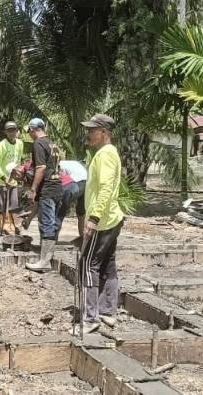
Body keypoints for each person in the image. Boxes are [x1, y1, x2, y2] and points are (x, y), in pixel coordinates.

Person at [75, 114, 124, 335]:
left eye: (92, 130)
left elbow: (105, 188)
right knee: (108, 264)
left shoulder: (105, 155)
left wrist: (93, 218)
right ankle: (108, 311)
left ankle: (90, 317)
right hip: (111, 218)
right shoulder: (107, 153)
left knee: (88, 265)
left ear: (104, 132)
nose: (88, 134)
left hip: (102, 221)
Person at [24, 118, 64, 273]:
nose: (29, 135)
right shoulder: (52, 143)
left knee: (46, 223)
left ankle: (45, 261)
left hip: (47, 188)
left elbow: (40, 168)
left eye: (29, 132)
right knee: (52, 223)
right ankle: (47, 257)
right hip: (57, 187)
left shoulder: (38, 144)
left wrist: (33, 189)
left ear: (33, 130)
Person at [0, 121, 24, 235]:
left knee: (14, 204)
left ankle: (15, 226)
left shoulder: (20, 144)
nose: (12, 133)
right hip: (1, 180)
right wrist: (4, 178)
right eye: (9, 131)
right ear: (5, 132)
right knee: (1, 205)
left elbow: (18, 160)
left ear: (17, 131)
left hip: (13, 179)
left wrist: (18, 174)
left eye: (13, 130)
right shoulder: (2, 145)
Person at [58, 159, 88, 241]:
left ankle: (53, 237)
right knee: (81, 213)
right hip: (85, 180)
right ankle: (82, 239)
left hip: (78, 180)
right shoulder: (65, 163)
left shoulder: (58, 165)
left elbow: (60, 179)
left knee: (61, 210)